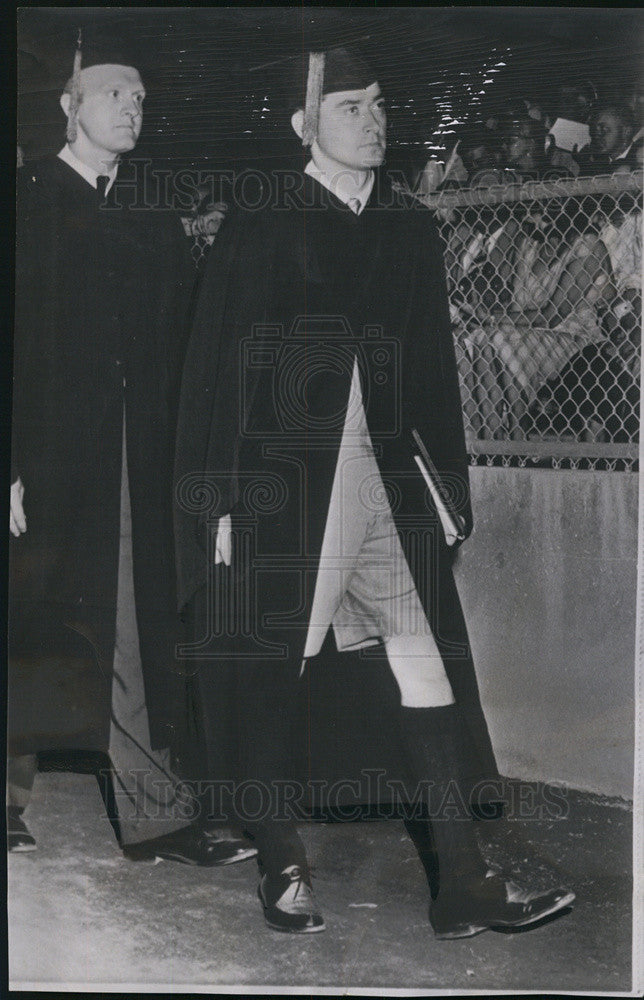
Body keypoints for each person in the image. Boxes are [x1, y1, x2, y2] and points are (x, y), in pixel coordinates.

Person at [174, 46, 574, 939]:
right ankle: (282, 864)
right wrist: (223, 502)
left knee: (423, 669)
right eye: (350, 106)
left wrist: (445, 489)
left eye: (379, 105)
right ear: (302, 126)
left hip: (385, 493)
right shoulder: (262, 222)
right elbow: (218, 373)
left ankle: (463, 883)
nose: (373, 120)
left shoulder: (405, 224)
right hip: (289, 495)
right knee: (279, 668)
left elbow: (431, 372)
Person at [9, 34, 255, 868]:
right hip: (39, 457)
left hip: (128, 460)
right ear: (68, 105)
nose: (133, 108)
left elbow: (188, 344)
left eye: (142, 97)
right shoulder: (27, 200)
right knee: (26, 610)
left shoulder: (153, 212)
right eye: (116, 93)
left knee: (124, 620)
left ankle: (154, 812)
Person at [577, 99, 640, 174]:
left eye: (604, 130)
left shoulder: (639, 161)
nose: (596, 136)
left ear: (626, 132)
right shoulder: (599, 162)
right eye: (594, 130)